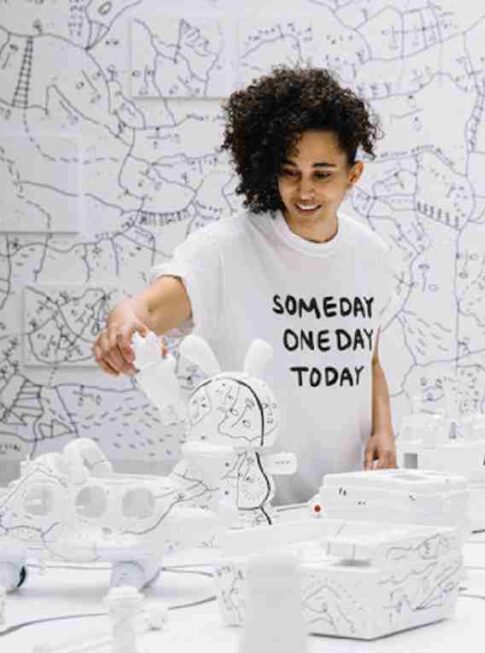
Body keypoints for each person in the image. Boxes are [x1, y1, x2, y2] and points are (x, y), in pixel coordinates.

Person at [92, 66, 397, 504]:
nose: (304, 190)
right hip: (248, 504)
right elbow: (148, 310)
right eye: (290, 171)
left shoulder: (371, 255)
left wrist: (384, 431)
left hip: (341, 498)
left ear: (354, 174)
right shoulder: (225, 248)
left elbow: (368, 357)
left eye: (322, 173)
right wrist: (123, 323)